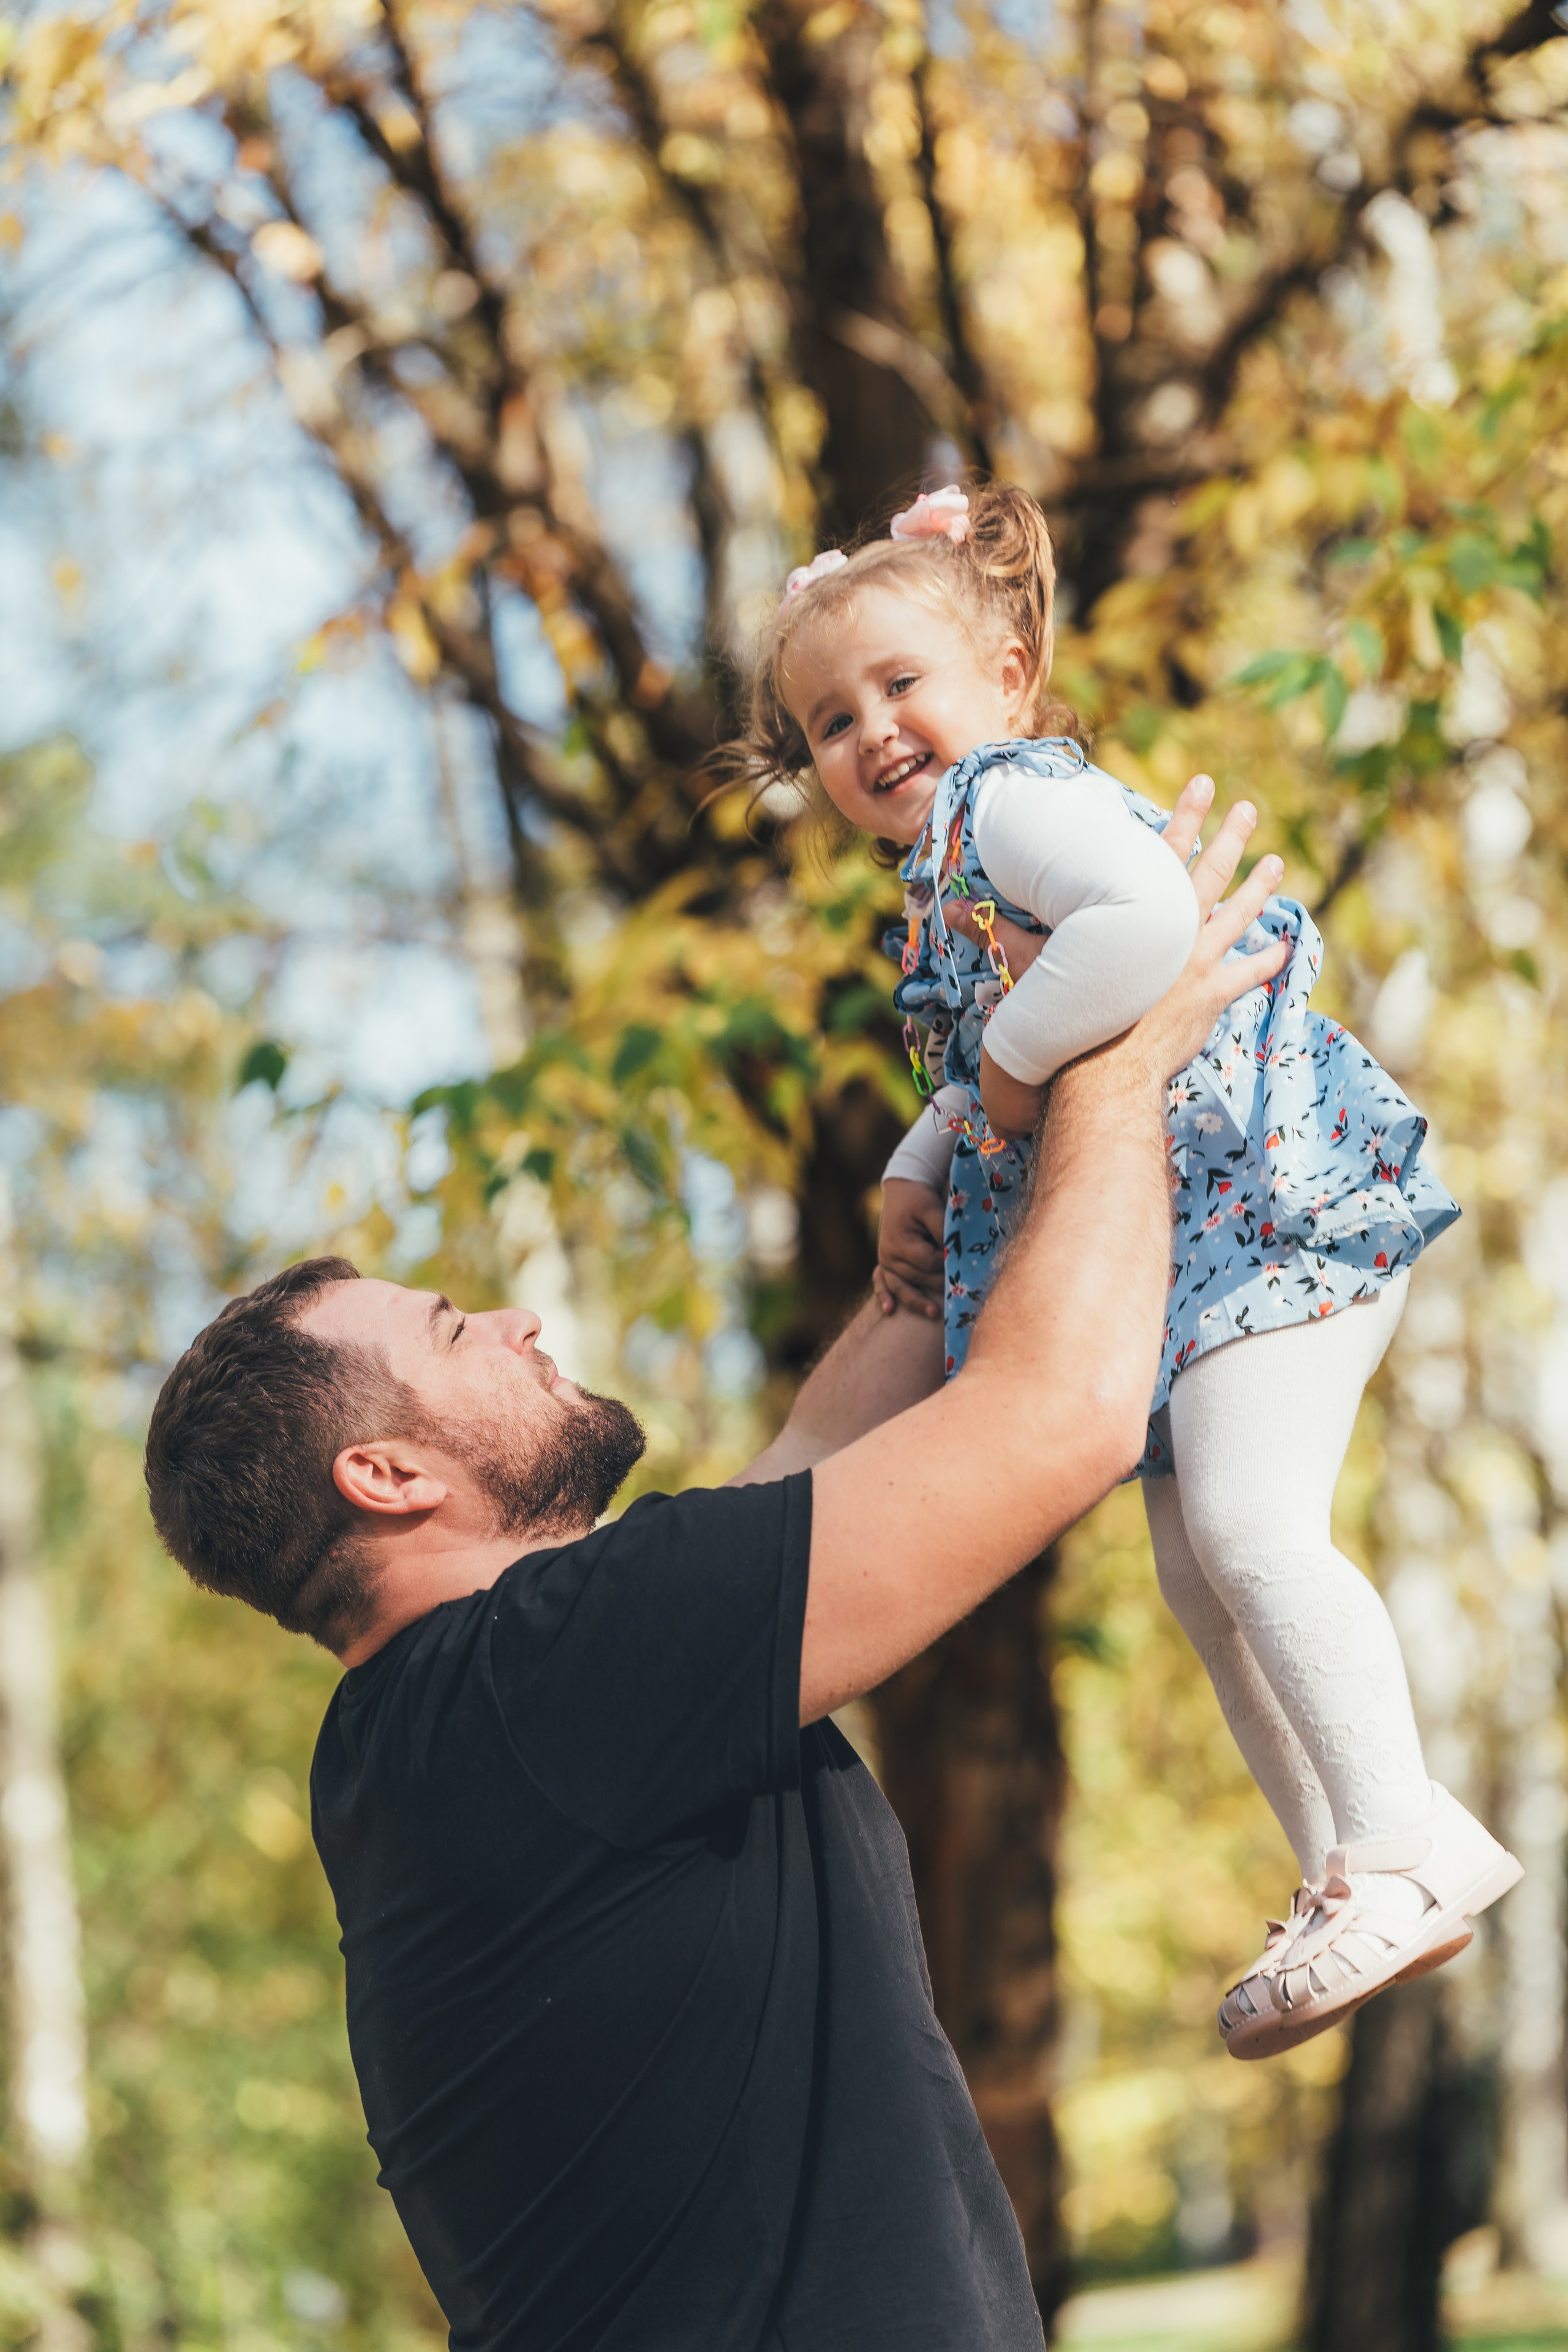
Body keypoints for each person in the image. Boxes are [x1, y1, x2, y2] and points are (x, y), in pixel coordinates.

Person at [144, 803, 1277, 2352]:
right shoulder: (546, 1674)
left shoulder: (449, 1728)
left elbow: (803, 1480)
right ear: (387, 1477)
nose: (521, 1328)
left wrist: (962, 1157)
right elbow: (1061, 1413)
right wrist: (1125, 1056)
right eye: (458, 1330)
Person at [715, 475, 1520, 2061]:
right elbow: (999, 1054)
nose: (868, 732)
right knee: (1199, 1573)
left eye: (899, 686)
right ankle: (1360, 1857)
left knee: (1245, 1524)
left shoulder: (1010, 802)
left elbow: (1147, 920)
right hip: (1208, 1260)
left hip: (1279, 1209)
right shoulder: (943, 866)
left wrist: (1005, 1075)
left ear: (1006, 679)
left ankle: (1402, 1852)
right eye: (827, 722)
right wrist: (920, 1161)